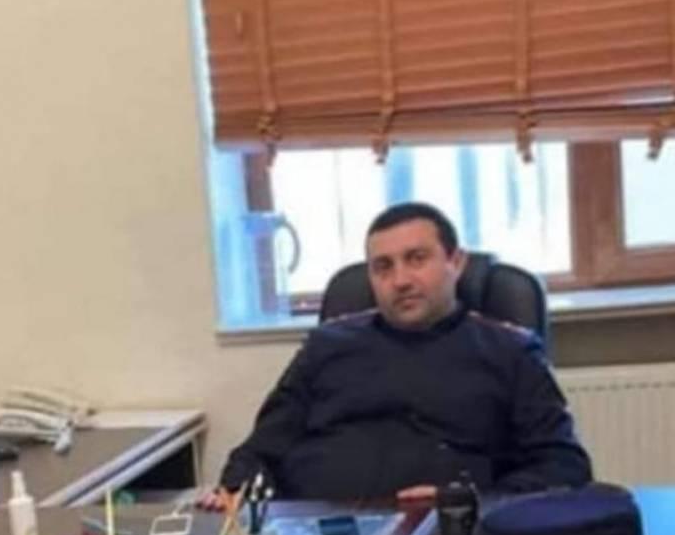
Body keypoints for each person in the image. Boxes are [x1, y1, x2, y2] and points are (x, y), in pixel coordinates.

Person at [200, 202, 592, 509]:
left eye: (417, 259)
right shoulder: (326, 346)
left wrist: (466, 501)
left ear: (456, 263)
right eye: (383, 267)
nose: (400, 280)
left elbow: (564, 467)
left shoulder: (510, 351)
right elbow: (260, 452)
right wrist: (236, 493)